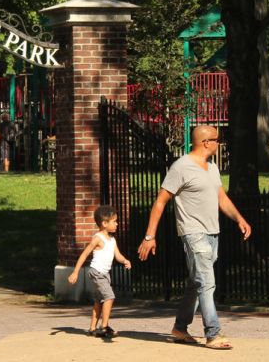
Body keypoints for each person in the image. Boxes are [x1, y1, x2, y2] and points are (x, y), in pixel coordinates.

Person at [137, 125, 251, 350]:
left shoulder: (212, 167)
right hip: (193, 233)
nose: (220, 143)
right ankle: (213, 333)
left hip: (212, 233)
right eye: (217, 139)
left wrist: (240, 219)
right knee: (207, 283)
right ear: (206, 142)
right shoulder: (181, 167)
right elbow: (160, 201)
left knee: (196, 283)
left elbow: (221, 198)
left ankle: (180, 327)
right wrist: (150, 236)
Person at [68, 205, 132, 338]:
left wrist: (125, 260)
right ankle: (104, 326)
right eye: (114, 221)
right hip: (96, 272)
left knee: (99, 300)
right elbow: (84, 254)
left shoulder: (112, 240)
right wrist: (75, 272)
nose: (117, 224)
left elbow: (117, 255)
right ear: (104, 223)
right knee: (109, 297)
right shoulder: (98, 238)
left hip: (104, 274)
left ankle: (92, 328)